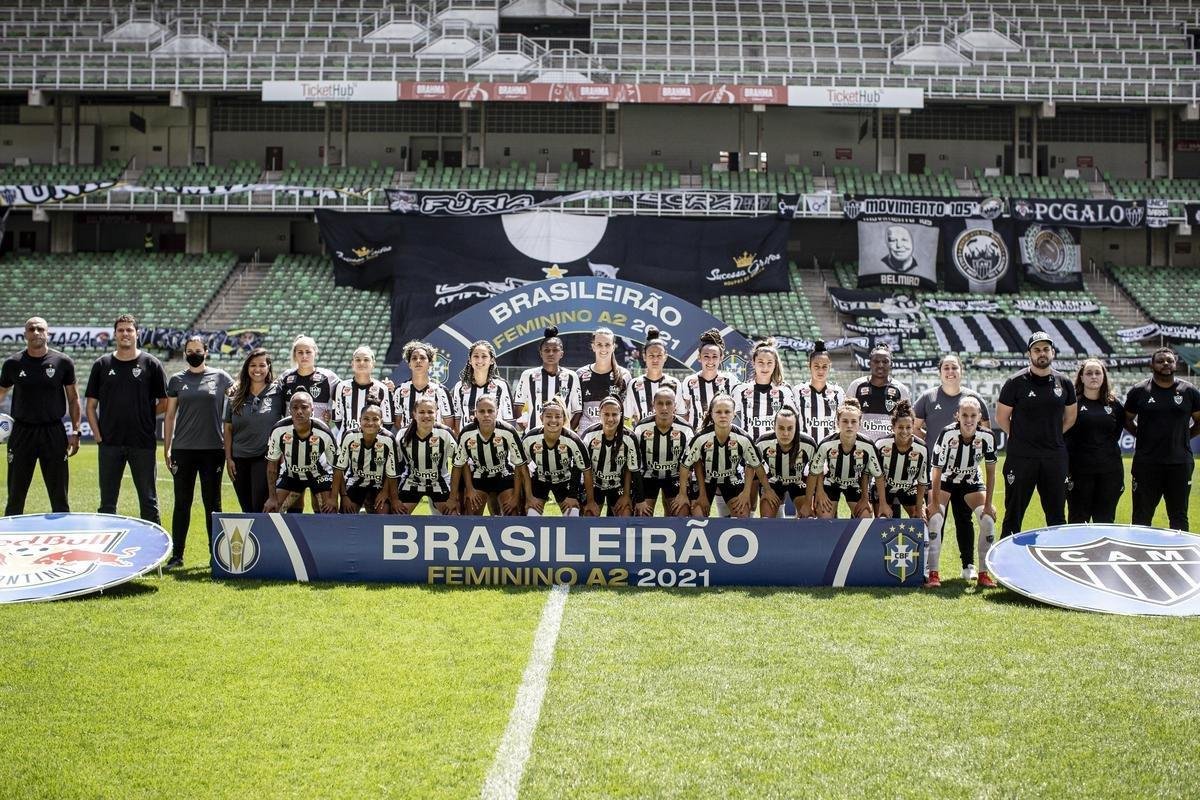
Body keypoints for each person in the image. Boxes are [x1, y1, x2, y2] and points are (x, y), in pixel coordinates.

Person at [913, 354, 991, 580]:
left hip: (967, 473)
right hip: (938, 469)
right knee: (936, 516)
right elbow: (916, 428)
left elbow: (984, 433)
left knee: (964, 518)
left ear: (961, 371)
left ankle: (968, 566)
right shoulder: (928, 397)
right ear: (940, 372)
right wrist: (934, 442)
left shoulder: (973, 398)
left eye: (954, 367)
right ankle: (930, 568)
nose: (950, 371)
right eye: (946, 367)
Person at [85, 314, 167, 524]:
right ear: (115, 334)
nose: (125, 334)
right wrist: (98, 437)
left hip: (143, 443)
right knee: (107, 504)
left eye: (129, 330)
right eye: (121, 330)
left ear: (137, 334)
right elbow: (91, 406)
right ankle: (106, 552)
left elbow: (165, 402)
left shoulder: (151, 363)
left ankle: (154, 551)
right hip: (109, 444)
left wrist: (145, 416)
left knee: (149, 502)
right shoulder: (102, 364)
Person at [994, 332, 1076, 537]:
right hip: (1021, 457)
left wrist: (1052, 435)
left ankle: (1056, 561)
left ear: (1053, 353)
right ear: (1029, 354)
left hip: (1054, 457)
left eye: (1046, 349)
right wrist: (1023, 437)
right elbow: (1002, 418)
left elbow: (1070, 418)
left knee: (1057, 515)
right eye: (1037, 349)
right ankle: (1008, 565)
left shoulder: (1064, 382)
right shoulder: (1015, 382)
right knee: (1013, 514)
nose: (1042, 353)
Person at [162, 336, 233, 567]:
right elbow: (170, 415)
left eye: (198, 350)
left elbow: (238, 395)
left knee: (213, 503)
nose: (194, 353)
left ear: (206, 352)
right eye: (190, 350)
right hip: (183, 449)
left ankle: (217, 556)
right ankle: (177, 555)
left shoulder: (220, 377)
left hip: (213, 449)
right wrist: (167, 447)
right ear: (185, 353)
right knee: (182, 502)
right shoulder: (176, 380)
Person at [0, 316, 80, 514]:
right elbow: (1, 393)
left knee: (60, 497)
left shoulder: (63, 362)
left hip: (53, 432)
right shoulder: (13, 363)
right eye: (31, 329)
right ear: (25, 334)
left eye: (40, 329)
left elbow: (73, 399)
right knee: (15, 496)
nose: (36, 332)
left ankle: (63, 540)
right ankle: (9, 543)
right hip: (22, 432)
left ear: (48, 332)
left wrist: (76, 430)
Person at [1124, 347, 1200, 531]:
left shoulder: (1189, 391)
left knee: (1179, 516)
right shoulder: (1139, 391)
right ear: (1152, 365)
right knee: (1141, 517)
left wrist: (1184, 436)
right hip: (1146, 464)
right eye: (1160, 361)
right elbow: (1126, 419)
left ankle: (1181, 558)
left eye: (1169, 360)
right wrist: (1140, 435)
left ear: (1176, 364)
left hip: (1179, 463)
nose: (1165, 363)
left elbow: (1199, 421)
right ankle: (1139, 555)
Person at [926, 396, 998, 588]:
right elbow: (937, 470)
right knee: (935, 519)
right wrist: (933, 503)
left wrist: (989, 504)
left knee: (988, 521)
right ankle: (932, 573)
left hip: (971, 480)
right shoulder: (947, 434)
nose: (968, 419)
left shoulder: (987, 437)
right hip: (945, 480)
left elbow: (991, 473)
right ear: (957, 415)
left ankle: (983, 573)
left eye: (973, 415)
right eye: (964, 415)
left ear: (979, 416)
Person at [683, 395, 768, 518]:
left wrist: (749, 492)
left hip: (732, 478)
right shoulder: (700, 438)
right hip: (705, 481)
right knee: (698, 515)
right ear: (711, 414)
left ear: (734, 414)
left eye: (727, 412)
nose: (723, 415)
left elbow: (756, 466)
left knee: (742, 514)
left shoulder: (743, 437)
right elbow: (685, 465)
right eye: (718, 412)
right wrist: (689, 494)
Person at [223, 348, 284, 514]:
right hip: (239, 459)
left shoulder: (278, 392)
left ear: (268, 367)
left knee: (259, 506)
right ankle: (254, 540)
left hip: (265, 458)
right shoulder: (235, 393)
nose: (257, 369)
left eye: (262, 365)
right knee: (246, 508)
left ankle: (264, 539)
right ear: (246, 368)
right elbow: (228, 428)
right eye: (253, 365)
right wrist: (229, 458)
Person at [1065, 359, 1124, 524]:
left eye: (1098, 373)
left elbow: (1116, 432)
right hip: (1079, 472)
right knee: (1077, 521)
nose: (1094, 376)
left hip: (1109, 472)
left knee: (1105, 521)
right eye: (1089, 373)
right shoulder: (1072, 404)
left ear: (1104, 377)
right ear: (1081, 378)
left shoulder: (1115, 405)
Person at [451, 395, 528, 515]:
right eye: (482, 411)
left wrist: (516, 496)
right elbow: (459, 464)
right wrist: (469, 490)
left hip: (503, 476)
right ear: (475, 413)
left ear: (497, 412)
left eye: (490, 411)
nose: (486, 414)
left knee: (512, 514)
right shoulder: (467, 433)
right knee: (470, 516)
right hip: (479, 477)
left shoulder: (508, 431)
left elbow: (520, 465)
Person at [809, 399, 884, 519]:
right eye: (845, 421)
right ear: (837, 423)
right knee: (824, 516)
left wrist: (869, 499)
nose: (849, 425)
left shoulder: (868, 445)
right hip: (831, 483)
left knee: (865, 517)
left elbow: (878, 476)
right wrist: (819, 492)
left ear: (860, 424)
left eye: (853, 421)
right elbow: (815, 471)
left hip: (854, 484)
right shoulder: (827, 443)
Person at [263, 391, 337, 514]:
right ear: (289, 410)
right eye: (295, 408)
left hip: (319, 475)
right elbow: (272, 465)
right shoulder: (278, 430)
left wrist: (334, 498)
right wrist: (272, 497)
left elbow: (337, 466)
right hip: (292, 474)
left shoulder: (323, 431)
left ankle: (320, 532)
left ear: (312, 410)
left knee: (329, 512)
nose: (299, 411)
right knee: (272, 510)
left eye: (304, 407)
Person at [523, 396, 593, 516]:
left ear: (563, 418)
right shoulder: (530, 438)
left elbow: (586, 471)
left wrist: (573, 496)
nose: (553, 420)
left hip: (565, 482)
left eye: (557, 417)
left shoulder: (573, 440)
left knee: (573, 514)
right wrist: (529, 497)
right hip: (540, 480)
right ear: (541, 418)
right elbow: (521, 467)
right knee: (532, 515)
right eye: (549, 416)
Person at [632, 387, 693, 517]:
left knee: (681, 511)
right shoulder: (641, 428)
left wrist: (682, 494)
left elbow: (688, 464)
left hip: (674, 476)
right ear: (653, 405)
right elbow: (634, 464)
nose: (664, 408)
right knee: (642, 514)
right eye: (660, 403)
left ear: (675, 405)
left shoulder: (686, 429)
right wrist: (639, 499)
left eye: (668, 403)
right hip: (648, 476)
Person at [394, 396, 458, 514]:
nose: (426, 415)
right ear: (414, 414)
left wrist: (454, 497)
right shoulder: (403, 434)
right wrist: (394, 499)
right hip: (411, 482)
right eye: (422, 412)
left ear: (436, 413)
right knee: (396, 517)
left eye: (430, 412)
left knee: (453, 516)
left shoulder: (445, 433)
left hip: (439, 482)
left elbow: (459, 464)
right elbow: (393, 466)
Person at [332, 405, 399, 514]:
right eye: (366, 419)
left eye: (375, 419)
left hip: (379, 485)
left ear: (381, 421)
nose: (370, 423)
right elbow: (339, 469)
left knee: (383, 513)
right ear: (360, 420)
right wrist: (343, 496)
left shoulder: (388, 439)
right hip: (355, 483)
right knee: (347, 514)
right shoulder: (350, 436)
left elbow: (392, 472)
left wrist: (385, 492)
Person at [513, 327, 581, 432]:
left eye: (555, 350)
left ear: (561, 353)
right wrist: (529, 431)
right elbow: (518, 406)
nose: (551, 353)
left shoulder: (572, 377)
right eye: (547, 350)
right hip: (535, 437)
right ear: (541, 353)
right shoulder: (528, 375)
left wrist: (567, 431)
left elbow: (578, 411)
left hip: (562, 438)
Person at [581, 394, 640, 516]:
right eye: (606, 414)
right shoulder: (589, 435)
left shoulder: (629, 437)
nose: (610, 419)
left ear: (621, 415)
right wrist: (590, 501)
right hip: (594, 486)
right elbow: (585, 469)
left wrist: (626, 496)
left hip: (619, 487)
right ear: (599, 415)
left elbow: (631, 469)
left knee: (625, 515)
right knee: (589, 515)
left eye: (614, 415)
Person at [754, 406, 817, 518]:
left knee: (808, 518)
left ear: (796, 428)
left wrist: (808, 502)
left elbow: (816, 472)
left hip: (799, 482)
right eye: (781, 428)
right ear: (774, 427)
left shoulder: (808, 444)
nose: (786, 433)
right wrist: (767, 490)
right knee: (766, 519)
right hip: (773, 482)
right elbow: (753, 466)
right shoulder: (763, 442)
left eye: (790, 428)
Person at [731, 338, 797, 441]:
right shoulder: (740, 390)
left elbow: (795, 420)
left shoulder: (785, 391)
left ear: (775, 364)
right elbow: (727, 417)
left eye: (769, 363)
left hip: (776, 449)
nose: (765, 367)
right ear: (753, 363)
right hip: (749, 449)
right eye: (760, 362)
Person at [874, 400, 929, 521]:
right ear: (893, 427)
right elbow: (878, 477)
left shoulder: (921, 448)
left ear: (913, 426)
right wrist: (883, 504)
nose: (904, 431)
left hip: (909, 488)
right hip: (885, 488)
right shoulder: (881, 444)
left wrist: (919, 509)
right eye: (900, 427)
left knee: (922, 520)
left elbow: (922, 482)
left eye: (908, 427)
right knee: (883, 521)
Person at [846, 344, 909, 443]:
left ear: (891, 364)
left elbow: (906, 421)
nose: (880, 365)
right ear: (869, 363)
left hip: (889, 448)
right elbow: (846, 416)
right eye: (876, 361)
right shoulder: (856, 386)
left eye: (885, 361)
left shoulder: (900, 389)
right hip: (861, 447)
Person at [575, 326, 632, 434]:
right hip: (586, 435)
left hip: (613, 434)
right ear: (593, 346)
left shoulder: (624, 375)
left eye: (607, 345)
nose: (603, 348)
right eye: (599, 344)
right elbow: (575, 410)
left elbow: (628, 412)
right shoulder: (581, 374)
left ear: (613, 347)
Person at [624, 327, 685, 424]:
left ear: (665, 357)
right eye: (651, 355)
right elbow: (626, 417)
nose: (655, 360)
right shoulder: (634, 384)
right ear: (644, 357)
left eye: (659, 356)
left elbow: (681, 414)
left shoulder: (674, 383)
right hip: (642, 437)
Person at [391, 340, 454, 434]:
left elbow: (449, 422)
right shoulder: (400, 390)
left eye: (422, 358)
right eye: (414, 358)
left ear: (430, 363)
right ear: (409, 364)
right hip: (409, 443)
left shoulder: (441, 390)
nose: (418, 361)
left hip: (434, 442)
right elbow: (397, 421)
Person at [332, 345, 392, 441]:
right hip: (346, 443)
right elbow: (337, 419)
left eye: (366, 360)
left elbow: (387, 423)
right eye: (358, 360)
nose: (362, 362)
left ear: (373, 364)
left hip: (374, 444)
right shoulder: (341, 387)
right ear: (352, 363)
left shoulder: (382, 388)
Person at [277, 335, 340, 426]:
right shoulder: (285, 377)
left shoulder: (328, 377)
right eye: (300, 352)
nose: (304, 356)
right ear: (295, 354)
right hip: (291, 434)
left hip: (318, 433)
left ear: (315, 353)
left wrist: (332, 413)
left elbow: (345, 395)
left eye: (308, 352)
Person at [681, 328, 737, 430]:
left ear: (721, 358)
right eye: (706, 356)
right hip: (697, 436)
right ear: (699, 357)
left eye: (715, 356)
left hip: (723, 435)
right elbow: (684, 412)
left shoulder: (730, 380)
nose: (710, 361)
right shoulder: (689, 381)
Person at [451, 340, 513, 430]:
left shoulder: (501, 386)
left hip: (495, 441)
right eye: (476, 356)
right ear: (470, 360)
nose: (480, 360)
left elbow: (509, 419)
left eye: (484, 356)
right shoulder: (460, 386)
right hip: (468, 440)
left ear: (491, 360)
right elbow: (457, 418)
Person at [794, 340, 845, 444]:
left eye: (824, 367)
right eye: (816, 366)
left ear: (829, 367)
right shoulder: (798, 391)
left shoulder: (838, 392)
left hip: (830, 450)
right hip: (805, 449)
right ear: (809, 366)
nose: (820, 371)